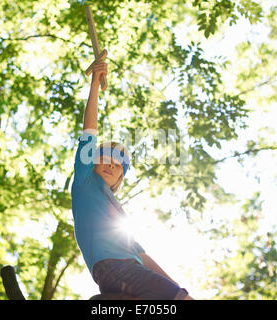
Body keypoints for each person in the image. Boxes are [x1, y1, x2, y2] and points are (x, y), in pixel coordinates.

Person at [71, 58, 194, 300]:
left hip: (126, 273)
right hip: (116, 268)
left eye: (118, 166)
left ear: (119, 179)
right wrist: (95, 85)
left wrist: (175, 287)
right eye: (106, 157)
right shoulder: (85, 183)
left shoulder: (117, 212)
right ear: (93, 159)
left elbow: (142, 255)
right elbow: (89, 131)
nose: (112, 165)